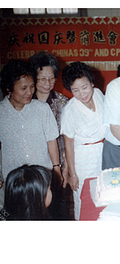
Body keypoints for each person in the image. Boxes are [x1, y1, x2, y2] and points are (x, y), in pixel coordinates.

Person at [0, 59, 62, 190]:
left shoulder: (42, 108)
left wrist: (56, 168)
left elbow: (51, 141)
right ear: (9, 88)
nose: (29, 92)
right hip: (13, 180)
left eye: (32, 86)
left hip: (42, 176)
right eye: (23, 88)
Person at [61, 61, 106, 220]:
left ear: (92, 83)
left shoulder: (99, 94)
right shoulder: (69, 110)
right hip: (83, 159)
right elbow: (68, 143)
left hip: (104, 152)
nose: (82, 94)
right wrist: (72, 174)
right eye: (75, 90)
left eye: (85, 87)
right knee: (84, 198)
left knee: (104, 194)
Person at [29, 51, 70, 219]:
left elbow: (69, 139)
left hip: (56, 170)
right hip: (31, 169)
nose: (48, 83)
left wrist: (66, 168)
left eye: (52, 78)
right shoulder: (24, 102)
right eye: (42, 79)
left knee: (58, 213)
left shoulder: (63, 103)